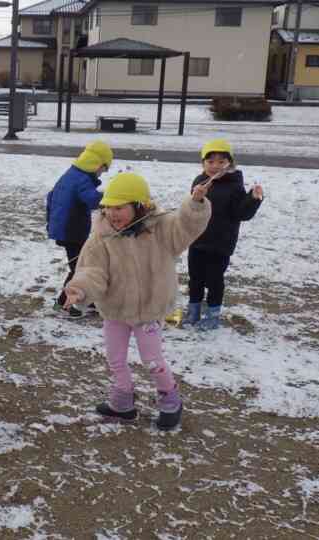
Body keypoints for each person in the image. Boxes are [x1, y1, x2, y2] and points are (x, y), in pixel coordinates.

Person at [64, 172, 212, 430]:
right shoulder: (101, 236)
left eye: (119, 208)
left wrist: (195, 204)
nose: (112, 214)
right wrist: (79, 289)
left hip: (148, 310)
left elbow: (187, 227)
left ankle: (170, 401)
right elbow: (92, 271)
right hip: (115, 310)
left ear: (139, 205)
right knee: (115, 359)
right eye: (108, 208)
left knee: (152, 361)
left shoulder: (162, 229)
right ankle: (123, 403)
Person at [185, 139, 263, 330]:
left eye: (221, 162)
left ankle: (212, 315)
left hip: (220, 243)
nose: (215, 166)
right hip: (197, 239)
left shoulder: (234, 185)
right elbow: (191, 210)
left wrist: (252, 199)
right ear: (203, 163)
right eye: (210, 161)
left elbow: (241, 213)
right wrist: (195, 198)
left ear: (230, 163)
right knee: (195, 277)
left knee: (214, 279)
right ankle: (193, 310)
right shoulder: (199, 181)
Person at [46, 140, 113, 318]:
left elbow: (50, 197)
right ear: (96, 164)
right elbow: (92, 200)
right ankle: (65, 304)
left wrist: (51, 223)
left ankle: (83, 301)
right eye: (103, 169)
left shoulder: (72, 174)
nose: (102, 173)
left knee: (81, 265)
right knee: (80, 268)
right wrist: (112, 196)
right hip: (71, 231)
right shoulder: (82, 180)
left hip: (65, 229)